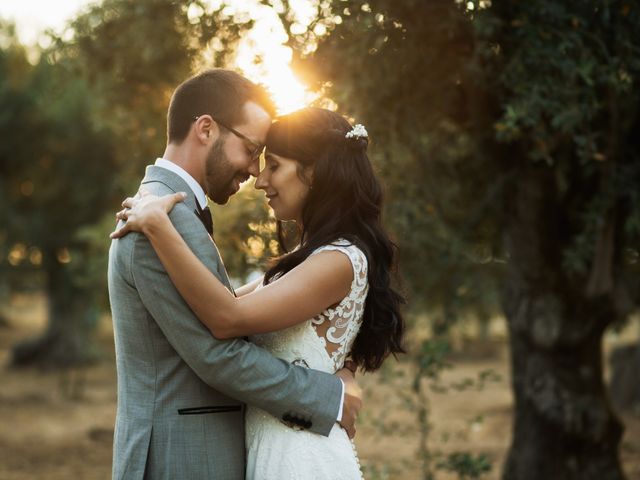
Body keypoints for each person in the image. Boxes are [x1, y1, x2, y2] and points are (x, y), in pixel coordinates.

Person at [111, 106, 406, 479]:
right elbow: (226, 304)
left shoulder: (337, 260)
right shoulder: (308, 261)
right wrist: (340, 373)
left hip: (300, 457)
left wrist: (159, 226)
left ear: (314, 172)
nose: (261, 180)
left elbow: (226, 319)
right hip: (273, 448)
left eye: (275, 166)